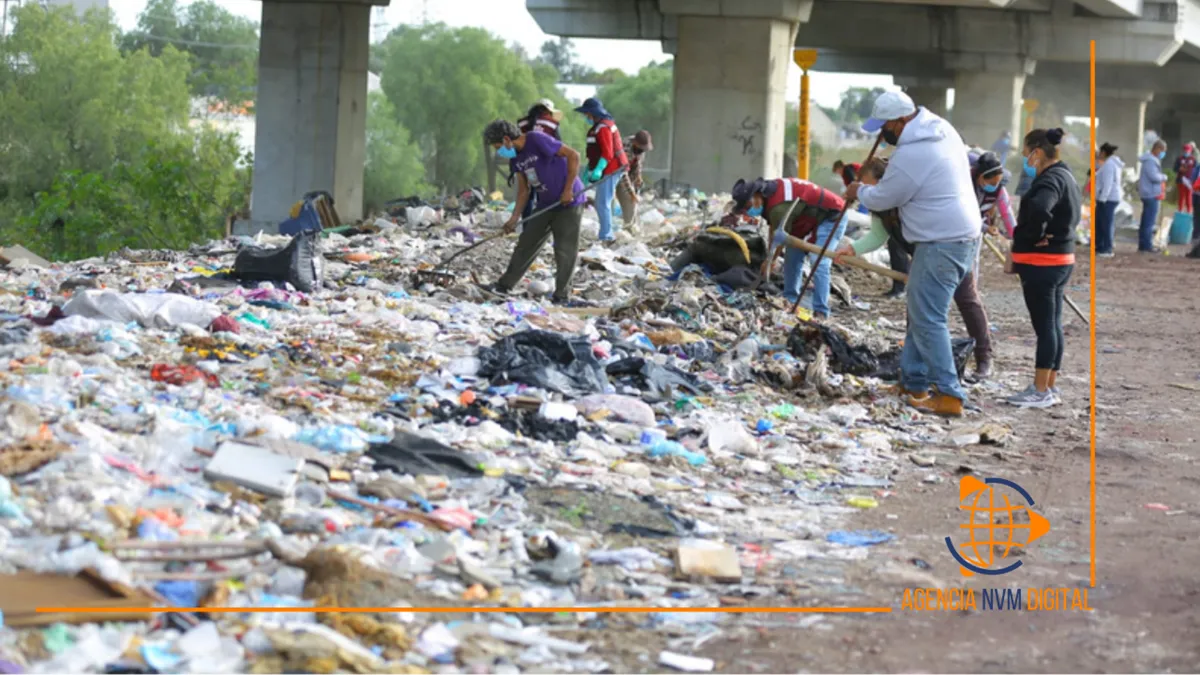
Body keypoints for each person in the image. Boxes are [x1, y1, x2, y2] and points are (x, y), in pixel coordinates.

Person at [843, 90, 981, 417]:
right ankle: (913, 381)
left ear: (901, 121)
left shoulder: (913, 153)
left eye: (885, 127)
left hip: (943, 241)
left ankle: (950, 395)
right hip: (953, 236)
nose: (883, 134)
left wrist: (858, 191)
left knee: (929, 318)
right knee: (920, 313)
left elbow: (884, 197)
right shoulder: (941, 128)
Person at [835, 155, 996, 381]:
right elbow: (878, 235)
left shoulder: (909, 195)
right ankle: (916, 368)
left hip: (949, 245)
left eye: (869, 185)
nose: (867, 191)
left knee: (965, 300)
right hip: (922, 254)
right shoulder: (880, 205)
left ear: (885, 181)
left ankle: (983, 359)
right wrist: (852, 249)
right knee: (917, 306)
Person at [1005, 128, 1080, 408]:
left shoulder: (1049, 180)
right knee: (1053, 324)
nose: (1025, 157)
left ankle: (1039, 392)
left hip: (1043, 263)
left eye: (1026, 152)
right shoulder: (1066, 175)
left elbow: (1039, 209)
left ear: (1037, 151)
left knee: (1045, 326)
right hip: (1061, 259)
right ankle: (1048, 386)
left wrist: (1032, 237)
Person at [481, 119, 585, 304]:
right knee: (526, 243)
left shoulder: (536, 140)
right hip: (545, 204)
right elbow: (524, 190)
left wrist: (568, 189)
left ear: (507, 139)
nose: (499, 151)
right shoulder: (516, 159)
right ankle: (504, 285)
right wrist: (513, 219)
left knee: (564, 250)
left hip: (569, 202)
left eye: (498, 146)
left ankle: (561, 295)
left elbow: (573, 155)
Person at [731, 176, 847, 319]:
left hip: (831, 216)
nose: (748, 211)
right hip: (805, 220)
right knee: (792, 259)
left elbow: (779, 238)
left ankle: (821, 312)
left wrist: (771, 260)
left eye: (748, 206)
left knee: (818, 261)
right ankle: (790, 301)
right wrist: (769, 257)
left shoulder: (779, 206)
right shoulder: (770, 193)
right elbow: (775, 228)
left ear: (757, 195)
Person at [575, 97, 628, 242]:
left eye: (587, 114)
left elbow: (607, 153)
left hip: (613, 168)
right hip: (608, 168)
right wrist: (588, 170)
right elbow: (595, 152)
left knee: (602, 202)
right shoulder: (598, 127)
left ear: (593, 113)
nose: (586, 117)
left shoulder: (603, 128)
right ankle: (606, 233)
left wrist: (598, 169)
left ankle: (606, 236)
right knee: (603, 201)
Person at [511, 99, 565, 221]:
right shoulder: (552, 124)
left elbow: (516, 145)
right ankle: (542, 224)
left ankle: (527, 226)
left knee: (528, 194)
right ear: (548, 111)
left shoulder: (521, 123)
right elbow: (559, 146)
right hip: (545, 167)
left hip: (527, 166)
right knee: (543, 194)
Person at [616, 130, 652, 231]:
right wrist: (631, 193)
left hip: (628, 174)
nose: (643, 150)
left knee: (632, 203)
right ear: (635, 143)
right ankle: (627, 228)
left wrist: (638, 177)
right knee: (628, 198)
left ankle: (631, 227)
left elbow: (638, 163)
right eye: (641, 148)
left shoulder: (640, 149)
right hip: (615, 174)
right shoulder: (624, 147)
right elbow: (623, 172)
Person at [1137, 139, 1168, 253]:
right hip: (1151, 194)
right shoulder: (1151, 161)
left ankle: (1143, 244)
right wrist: (1164, 177)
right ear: (1157, 149)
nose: (1163, 153)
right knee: (1149, 221)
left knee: (1146, 220)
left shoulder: (1150, 160)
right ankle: (1146, 245)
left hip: (1148, 193)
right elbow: (1153, 177)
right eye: (1163, 150)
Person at [1093, 142, 1122, 257]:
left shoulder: (1110, 164)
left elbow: (1108, 184)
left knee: (1106, 223)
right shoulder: (1109, 163)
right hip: (1105, 198)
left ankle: (1107, 249)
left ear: (1104, 153)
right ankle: (1100, 246)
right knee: (1100, 222)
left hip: (1108, 198)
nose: (1098, 154)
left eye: (1100, 152)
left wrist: (1102, 198)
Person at [1175, 143, 1196, 215]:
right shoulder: (1179, 158)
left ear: (1190, 151)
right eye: (1185, 151)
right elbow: (1175, 168)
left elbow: (1196, 169)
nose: (1187, 152)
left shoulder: (1193, 159)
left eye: (1188, 151)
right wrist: (1179, 169)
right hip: (1181, 180)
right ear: (1183, 150)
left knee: (1189, 197)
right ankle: (1180, 211)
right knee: (1181, 196)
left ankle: (1189, 212)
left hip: (1190, 181)